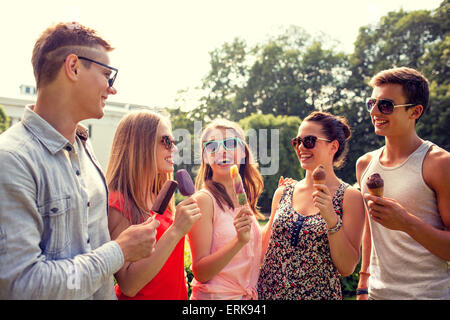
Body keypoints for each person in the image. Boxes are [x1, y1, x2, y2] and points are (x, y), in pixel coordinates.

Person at [0, 22, 159, 299]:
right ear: (73, 66)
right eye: (107, 75)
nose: (112, 89)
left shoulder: (84, 146)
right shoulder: (12, 159)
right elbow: (22, 286)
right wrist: (119, 251)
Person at [356, 67, 450, 300]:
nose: (375, 112)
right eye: (372, 103)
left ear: (415, 111)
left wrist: (406, 222)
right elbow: (370, 228)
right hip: (378, 294)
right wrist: (364, 282)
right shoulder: (365, 164)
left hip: (429, 295)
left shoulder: (439, 163)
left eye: (386, 105)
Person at [257, 111, 365, 300]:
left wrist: (331, 218)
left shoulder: (350, 197)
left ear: (333, 146)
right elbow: (263, 248)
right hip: (268, 294)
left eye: (309, 141)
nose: (300, 147)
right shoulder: (283, 193)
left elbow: (347, 267)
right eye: (297, 141)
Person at [106, 110, 201, 299]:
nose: (173, 149)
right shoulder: (117, 203)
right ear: (140, 145)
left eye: (173, 143)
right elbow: (129, 284)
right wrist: (175, 230)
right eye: (166, 141)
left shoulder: (159, 196)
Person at [188, 119, 266, 300]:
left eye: (230, 144)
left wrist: (278, 207)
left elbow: (254, 254)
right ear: (206, 157)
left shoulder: (242, 199)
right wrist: (238, 240)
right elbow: (201, 272)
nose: (221, 150)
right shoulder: (204, 200)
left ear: (243, 152)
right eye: (212, 146)